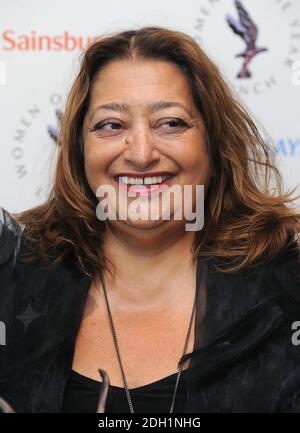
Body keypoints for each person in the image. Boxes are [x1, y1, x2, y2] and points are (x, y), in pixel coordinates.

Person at [0, 26, 300, 413]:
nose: (141, 154)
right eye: (112, 125)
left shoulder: (289, 287)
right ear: (79, 148)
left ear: (214, 143)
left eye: (171, 123)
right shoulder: (11, 282)